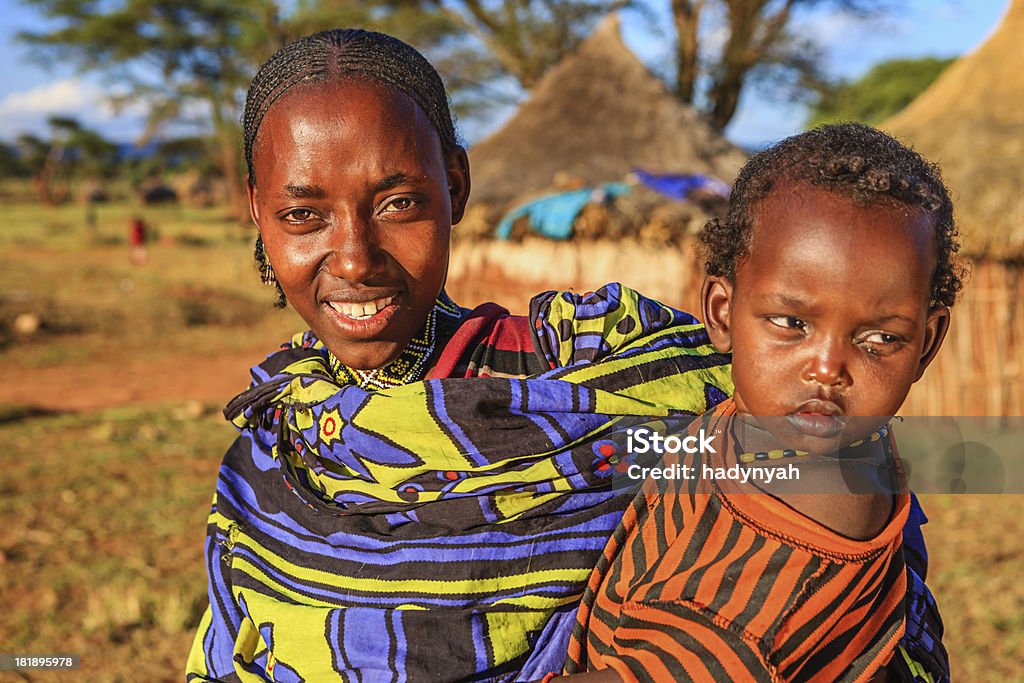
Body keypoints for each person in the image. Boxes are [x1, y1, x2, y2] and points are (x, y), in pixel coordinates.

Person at [186, 29, 734, 682]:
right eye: (304, 215)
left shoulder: (584, 376)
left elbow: (821, 462)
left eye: (399, 203)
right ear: (257, 209)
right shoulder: (270, 451)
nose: (356, 259)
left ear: (456, 184)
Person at [564, 124, 955, 682]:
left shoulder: (826, 502)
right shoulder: (750, 428)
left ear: (926, 345)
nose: (828, 368)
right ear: (722, 311)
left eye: (879, 340)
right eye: (791, 323)